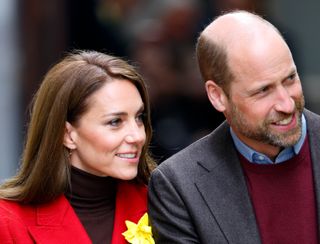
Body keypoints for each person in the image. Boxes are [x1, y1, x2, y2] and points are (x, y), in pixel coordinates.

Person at [148, 10, 320, 243]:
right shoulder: (179, 185)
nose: (287, 104)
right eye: (263, 91)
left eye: (290, 79)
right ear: (218, 96)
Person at [0, 50, 156, 243]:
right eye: (115, 121)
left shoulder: (163, 205)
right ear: (67, 135)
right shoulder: (7, 222)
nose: (137, 135)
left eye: (139, 118)